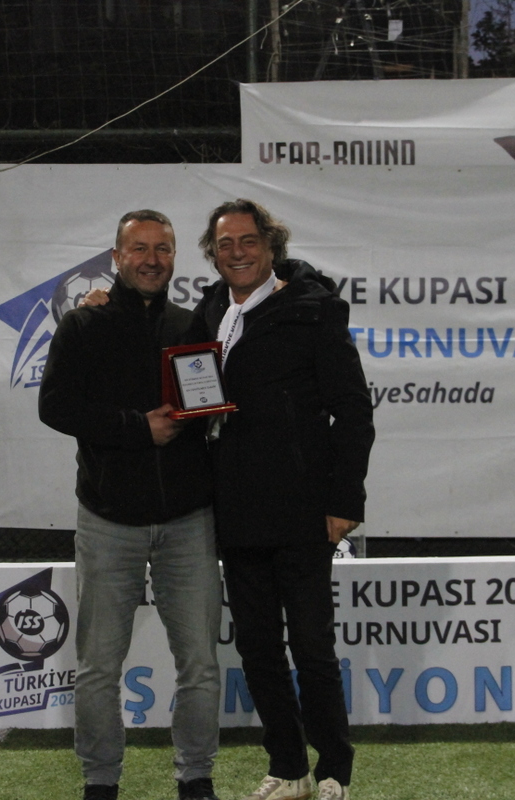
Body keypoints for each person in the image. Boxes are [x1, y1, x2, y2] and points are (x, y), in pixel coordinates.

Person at [190, 199, 374, 800]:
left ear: (271, 246)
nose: (237, 252)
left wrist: (344, 500)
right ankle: (289, 768)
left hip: (302, 509)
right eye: (225, 244)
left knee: (313, 648)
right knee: (258, 648)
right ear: (213, 254)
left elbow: (353, 410)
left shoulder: (314, 309)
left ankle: (334, 769)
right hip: (236, 509)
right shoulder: (211, 309)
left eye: (248, 241)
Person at [38, 209, 222, 800]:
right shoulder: (82, 325)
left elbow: (205, 409)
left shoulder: (191, 326)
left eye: (162, 248)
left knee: (200, 664)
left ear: (174, 257)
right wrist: (137, 428)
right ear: (116, 258)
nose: (151, 259)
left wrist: (207, 415)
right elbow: (55, 407)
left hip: (188, 521)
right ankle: (100, 783)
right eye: (138, 248)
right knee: (98, 667)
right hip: (108, 521)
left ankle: (196, 778)